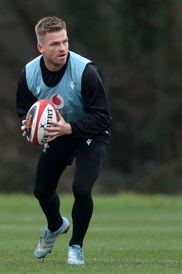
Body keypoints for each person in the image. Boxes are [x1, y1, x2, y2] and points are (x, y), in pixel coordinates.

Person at [16, 16, 111, 265]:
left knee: (81, 189)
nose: (62, 48)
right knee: (41, 191)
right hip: (57, 134)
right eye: (55, 44)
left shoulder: (86, 72)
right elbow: (25, 111)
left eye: (65, 41)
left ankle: (76, 246)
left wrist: (70, 127)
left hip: (89, 133)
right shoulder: (29, 73)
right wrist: (28, 126)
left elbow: (103, 118)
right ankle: (56, 225)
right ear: (40, 48)